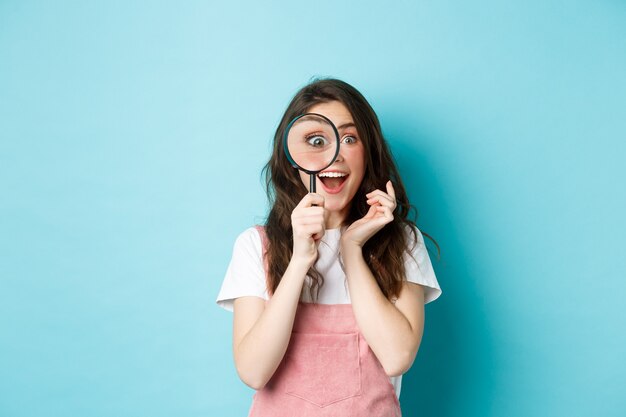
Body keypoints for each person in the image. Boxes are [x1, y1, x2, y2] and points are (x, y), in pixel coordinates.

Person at [216, 78, 442, 416]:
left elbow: (397, 357)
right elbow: (253, 371)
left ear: (368, 154)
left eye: (349, 138)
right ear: (293, 159)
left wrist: (352, 250)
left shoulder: (402, 242)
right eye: (316, 140)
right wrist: (299, 261)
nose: (333, 154)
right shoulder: (255, 246)